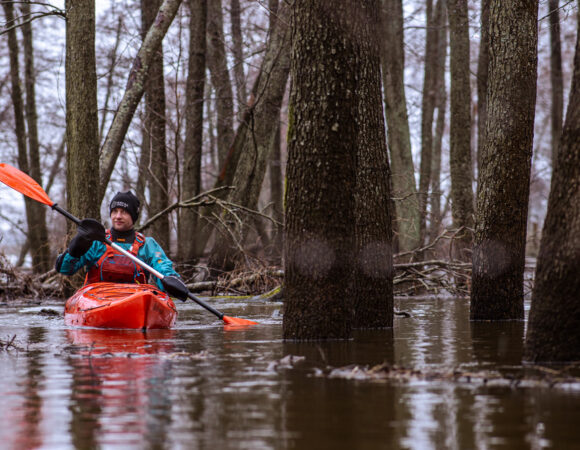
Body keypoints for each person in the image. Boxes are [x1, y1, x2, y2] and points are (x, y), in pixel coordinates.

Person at [56, 191, 189, 300]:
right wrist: (75, 248)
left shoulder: (147, 245)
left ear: (133, 216)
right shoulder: (97, 242)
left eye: (124, 212)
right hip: (97, 300)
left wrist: (171, 279)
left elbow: (162, 267)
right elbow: (64, 269)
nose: (118, 216)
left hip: (136, 300)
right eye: (115, 211)